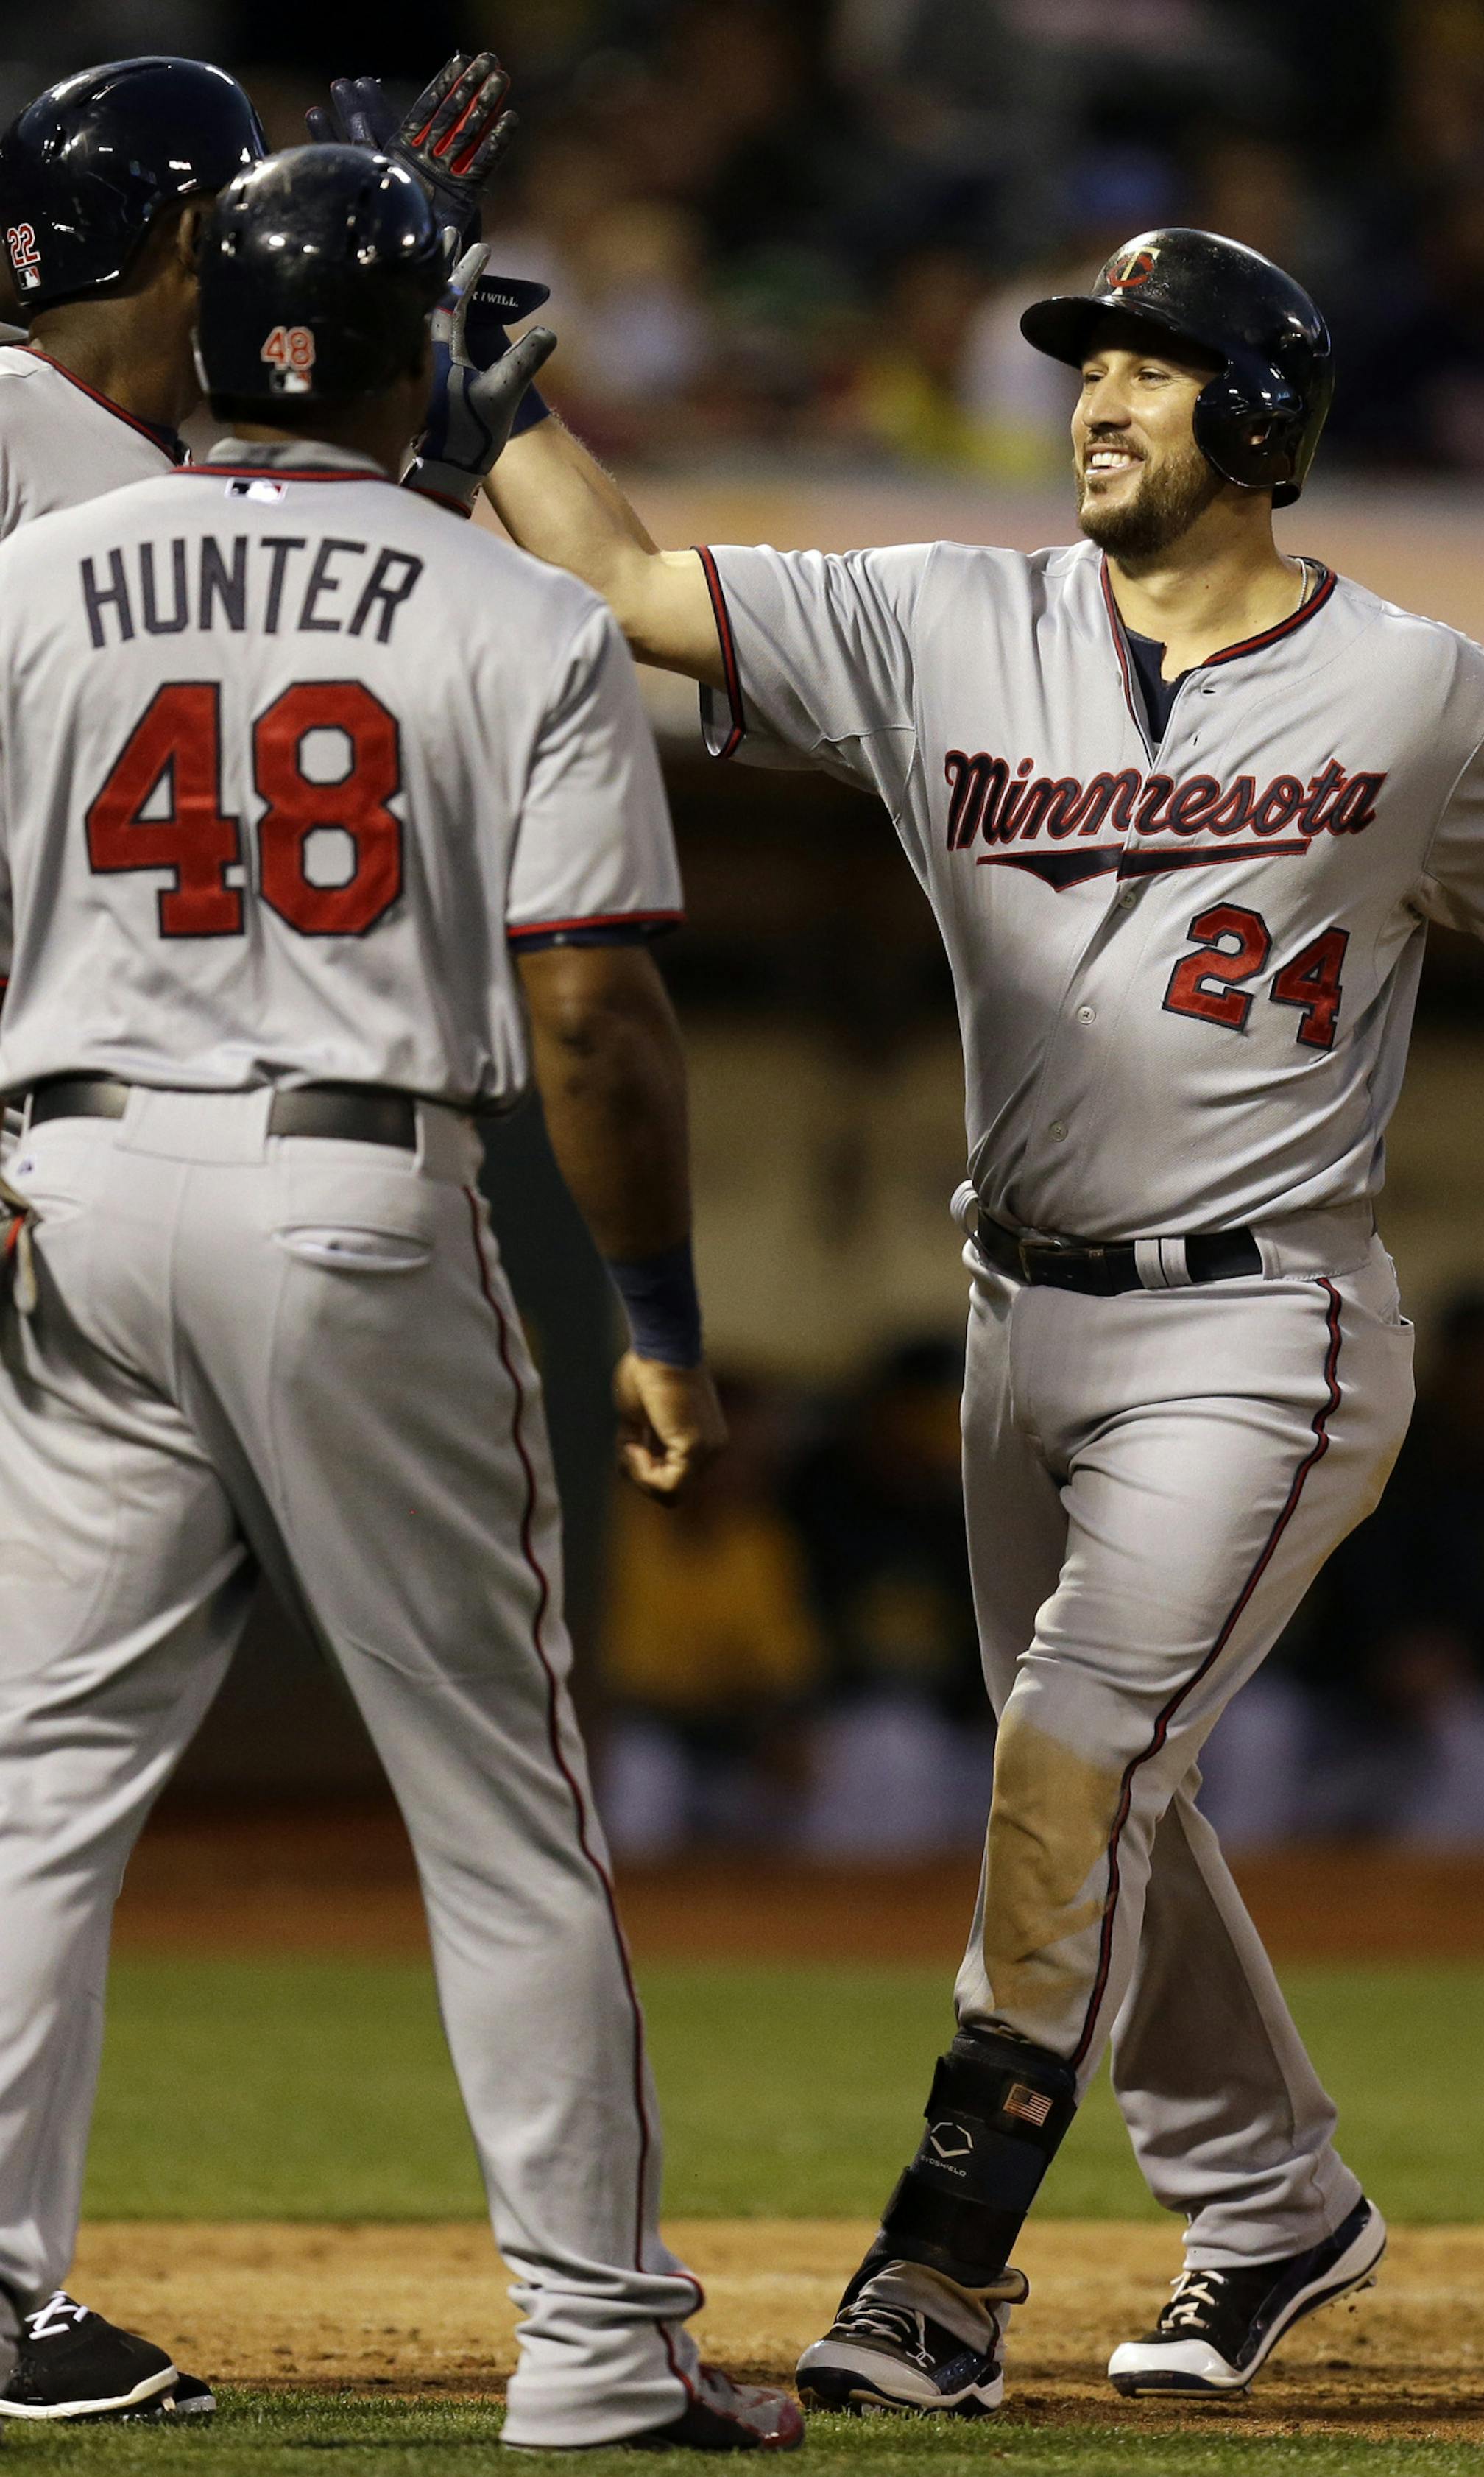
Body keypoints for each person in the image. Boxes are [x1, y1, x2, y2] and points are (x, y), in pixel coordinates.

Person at [480, 222, 1484, 2409]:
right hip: (1017, 1318)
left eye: (1150, 367)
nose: (1095, 393)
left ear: (1258, 421)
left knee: (1070, 1756)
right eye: (1086, 359)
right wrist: (495, 401)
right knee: (1108, 1795)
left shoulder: (1428, 695)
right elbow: (624, 584)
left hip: (1265, 1329)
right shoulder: (943, 618)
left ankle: (946, 2267)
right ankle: (1272, 2195)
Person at [0, 142, 800, 2454]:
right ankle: (592, 2345)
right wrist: (649, 1309)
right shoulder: (509, 610)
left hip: (76, 1186)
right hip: (351, 1194)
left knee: (38, 1771)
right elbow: (598, 1023)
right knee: (498, 1793)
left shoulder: (44, 570)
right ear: (411, 352)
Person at [0, 47, 525, 2427]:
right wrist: (378, 254)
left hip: (91, 1174)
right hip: (228, 1172)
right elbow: (315, 545)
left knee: (30, 1754)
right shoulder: (48, 459)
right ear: (194, 257)